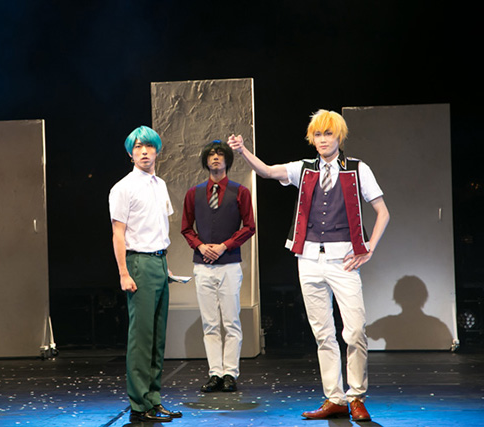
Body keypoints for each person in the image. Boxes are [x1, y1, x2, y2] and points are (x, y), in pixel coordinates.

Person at [228, 110, 389, 422]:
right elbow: (267, 172)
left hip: (344, 260)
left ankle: (356, 396)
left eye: (328, 134)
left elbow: (382, 211)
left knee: (355, 330)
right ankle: (335, 398)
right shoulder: (304, 168)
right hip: (309, 259)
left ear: (339, 136)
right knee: (323, 333)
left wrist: (369, 247)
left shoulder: (357, 169)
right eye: (318, 135)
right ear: (312, 139)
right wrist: (243, 150)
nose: (323, 140)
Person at [109, 126, 182, 423]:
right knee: (141, 338)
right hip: (138, 263)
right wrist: (124, 273)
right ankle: (140, 404)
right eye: (138, 147)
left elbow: (160, 227)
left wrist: (166, 265)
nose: (143, 151)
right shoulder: (123, 188)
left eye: (148, 146)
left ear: (157, 151)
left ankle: (154, 398)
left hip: (159, 262)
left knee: (157, 338)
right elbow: (118, 233)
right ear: (130, 153)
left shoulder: (160, 184)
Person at [181, 140, 255, 393]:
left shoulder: (240, 191)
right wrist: (200, 246)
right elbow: (186, 228)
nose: (215, 158)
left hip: (229, 264)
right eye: (211, 155)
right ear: (205, 161)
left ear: (227, 160)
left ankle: (230, 373)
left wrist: (225, 246)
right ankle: (215, 372)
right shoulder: (194, 193)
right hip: (203, 265)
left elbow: (249, 226)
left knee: (231, 321)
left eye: (220, 154)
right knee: (210, 323)